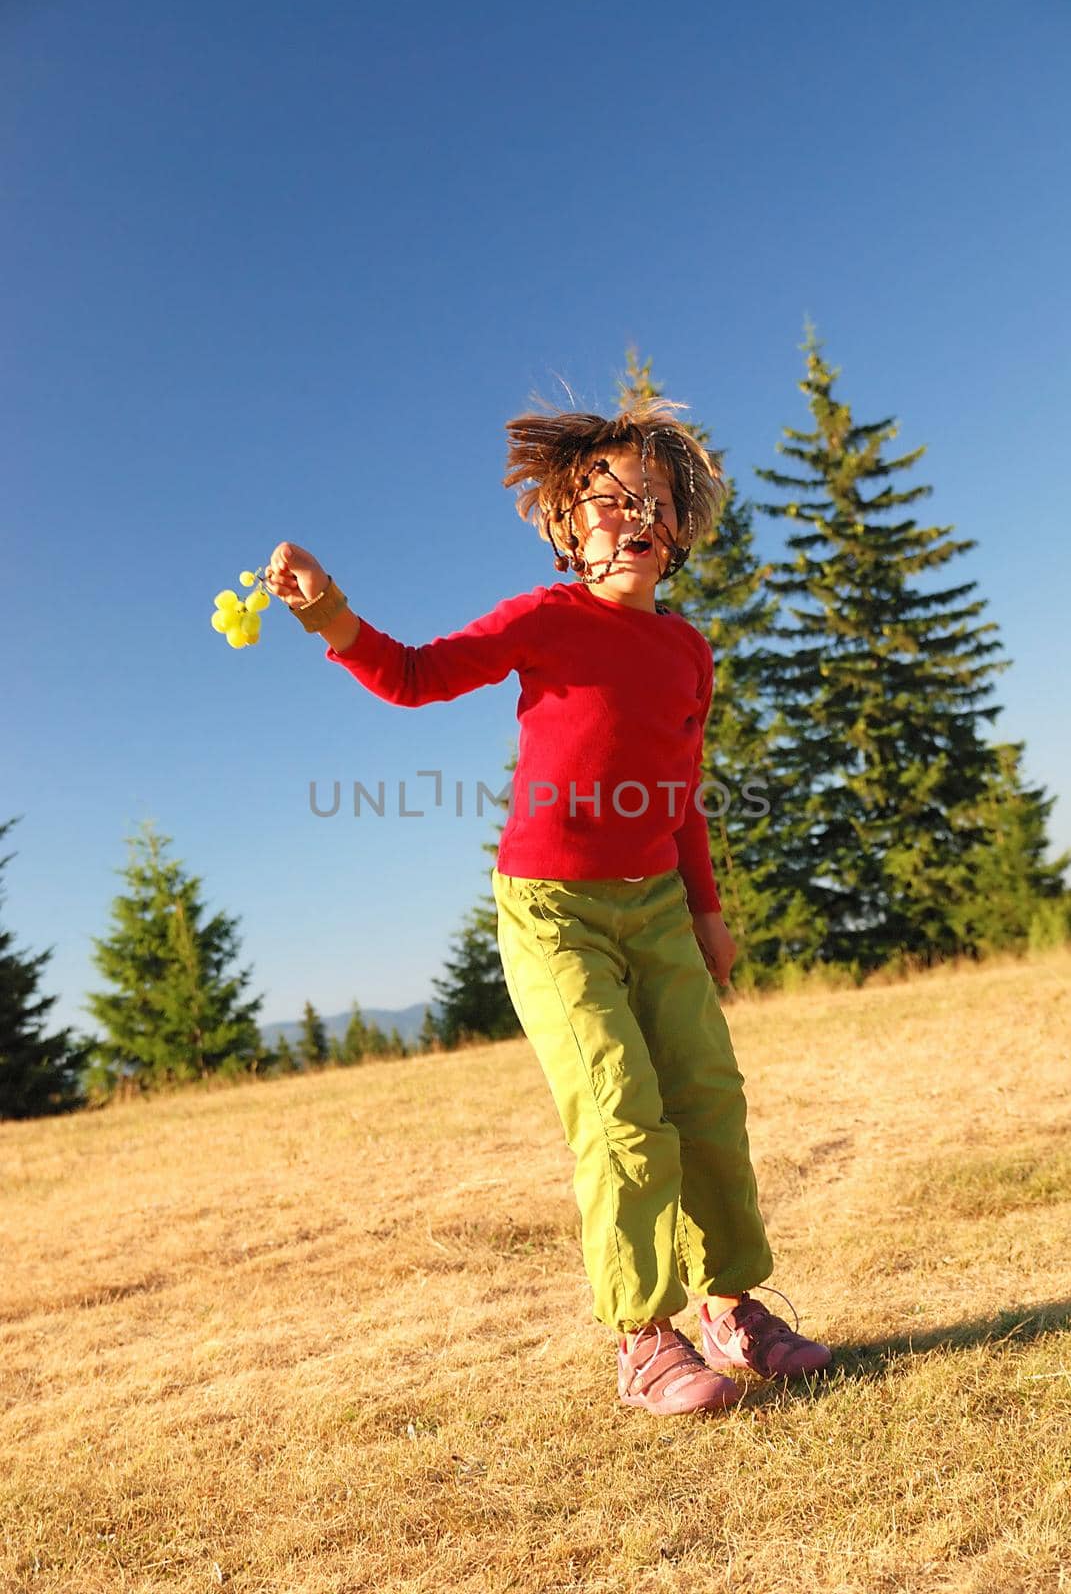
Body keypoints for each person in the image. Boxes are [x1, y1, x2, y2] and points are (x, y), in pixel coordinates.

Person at [265, 397, 832, 1416]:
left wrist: (704, 912)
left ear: (682, 523)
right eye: (606, 499)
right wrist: (328, 612)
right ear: (570, 530)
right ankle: (645, 1339)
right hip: (551, 909)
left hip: (656, 901)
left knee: (709, 1098)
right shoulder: (544, 619)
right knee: (622, 1111)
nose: (632, 513)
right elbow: (415, 675)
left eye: (651, 496)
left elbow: (683, 789)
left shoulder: (689, 651)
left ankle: (732, 1309)